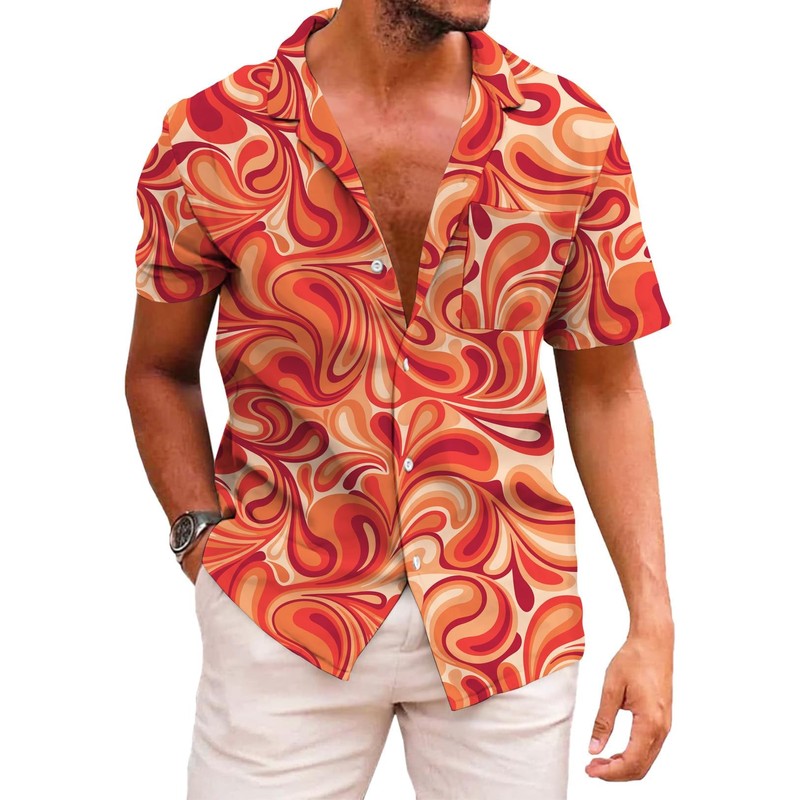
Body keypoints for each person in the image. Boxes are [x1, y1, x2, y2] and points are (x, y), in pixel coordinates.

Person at [126, 2, 674, 798]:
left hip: (508, 616)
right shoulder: (215, 134)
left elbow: (609, 388)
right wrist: (199, 543)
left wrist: (651, 623)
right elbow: (158, 370)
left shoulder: (568, 133)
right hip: (281, 608)